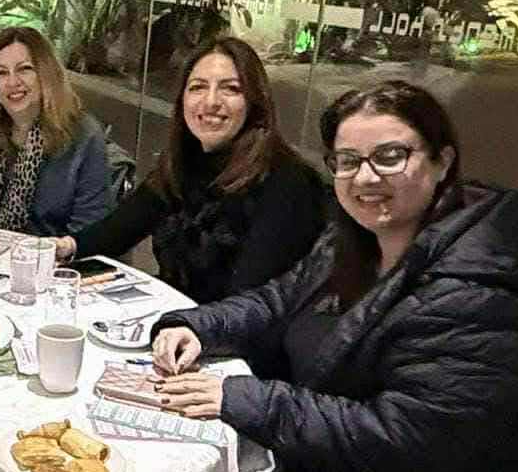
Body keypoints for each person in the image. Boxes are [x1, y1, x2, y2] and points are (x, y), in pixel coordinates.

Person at [150, 80, 518, 472]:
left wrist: (249, 399)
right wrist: (197, 326)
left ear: (442, 161)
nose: (366, 178)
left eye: (390, 156)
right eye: (348, 161)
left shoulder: (481, 292)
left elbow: (403, 440)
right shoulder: (361, 237)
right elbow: (279, 301)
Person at [55, 38, 327, 305]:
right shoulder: (184, 161)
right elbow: (120, 229)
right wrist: (67, 246)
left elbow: (251, 302)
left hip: (226, 327)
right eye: (198, 87)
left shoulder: (288, 181)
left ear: (255, 101)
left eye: (231, 89)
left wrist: (180, 324)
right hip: (173, 314)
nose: (211, 102)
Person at [0, 27, 110, 237]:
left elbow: (90, 229)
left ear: (46, 75)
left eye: (24, 69)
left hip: (54, 255)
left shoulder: (84, 136)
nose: (12, 82)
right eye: (1, 73)